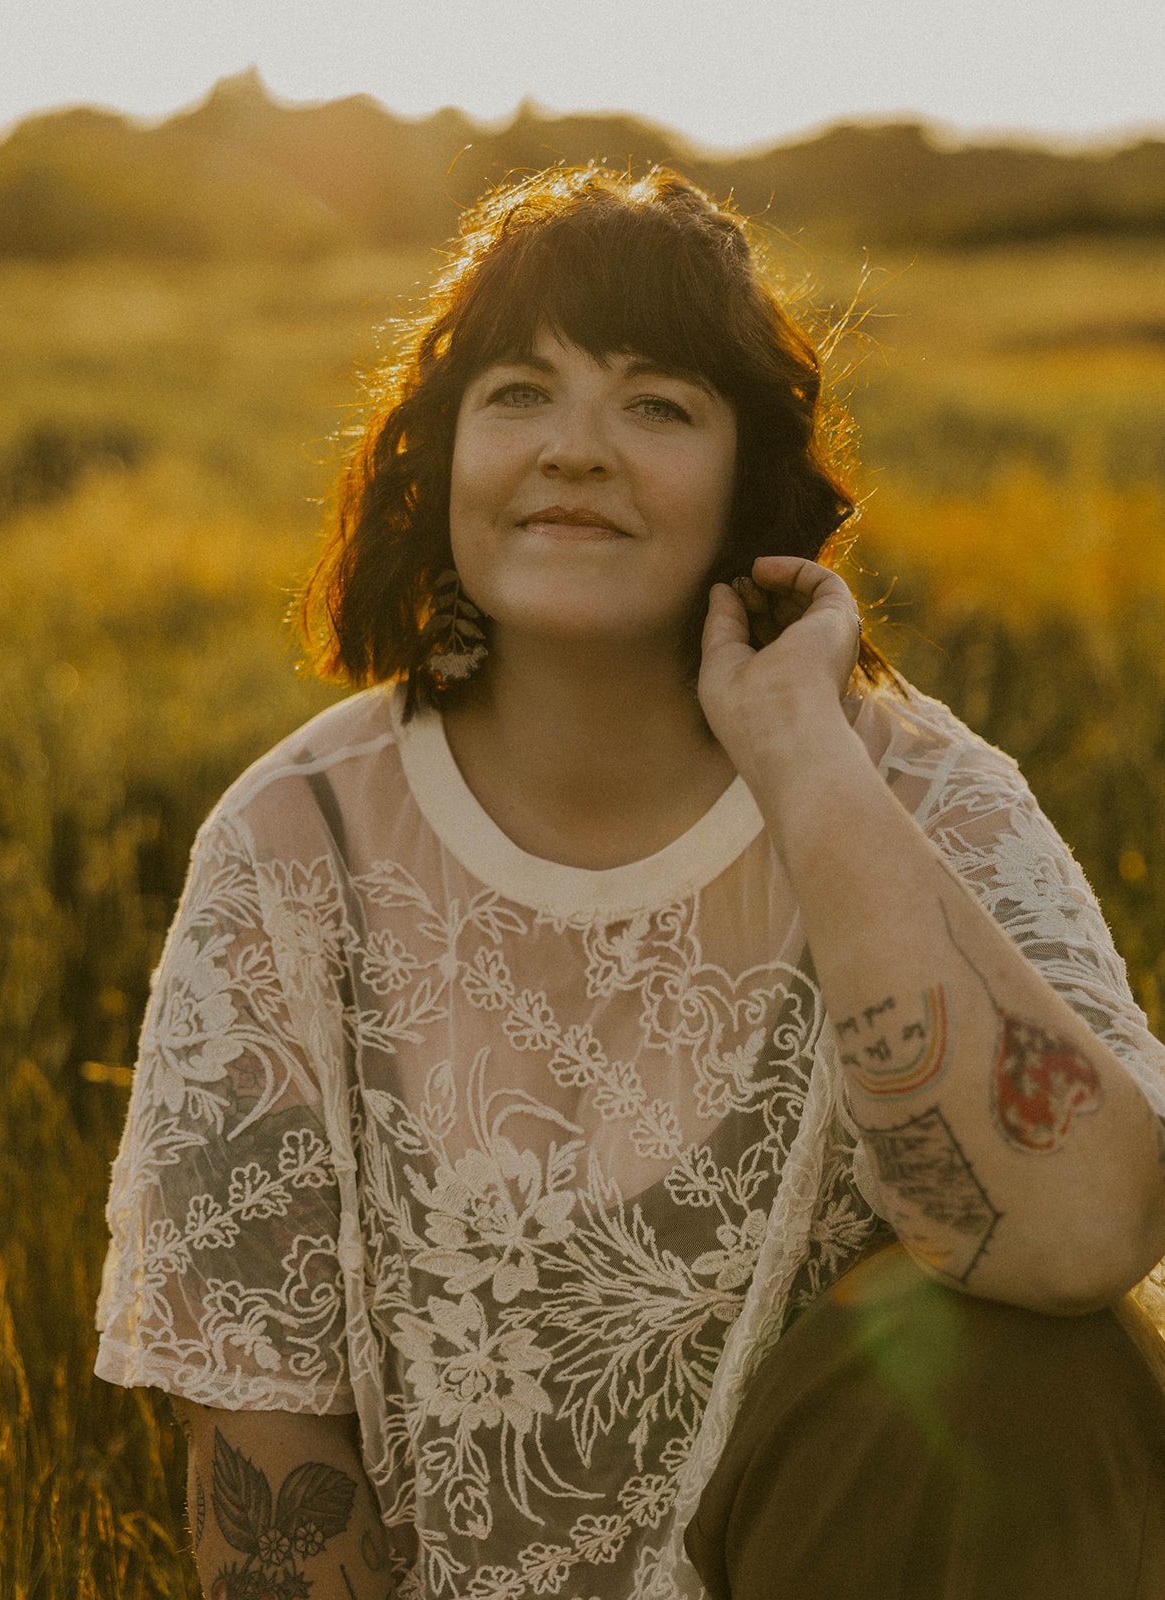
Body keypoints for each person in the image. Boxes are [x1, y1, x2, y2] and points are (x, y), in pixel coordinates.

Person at [95, 165, 1165, 1600]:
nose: (575, 451)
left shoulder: (916, 793)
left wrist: (803, 758)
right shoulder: (301, 842)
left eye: (656, 404)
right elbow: (267, 1432)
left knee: (1023, 1367)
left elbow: (1083, 1242)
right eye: (518, 394)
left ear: (747, 485)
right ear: (440, 455)